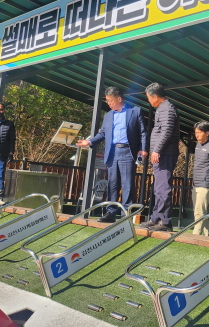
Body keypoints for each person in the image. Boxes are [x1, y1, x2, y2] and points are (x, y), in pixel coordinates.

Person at [76, 87, 147, 222]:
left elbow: (143, 132)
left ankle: (126, 214)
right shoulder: (108, 115)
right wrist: (89, 142)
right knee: (112, 184)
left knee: (127, 184)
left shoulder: (135, 111)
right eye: (107, 100)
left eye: (110, 100)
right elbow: (103, 133)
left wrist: (143, 149)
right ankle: (111, 213)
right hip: (112, 152)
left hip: (128, 152)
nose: (108, 103)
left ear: (119, 99)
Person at [145, 82, 180, 232]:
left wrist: (156, 149)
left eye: (148, 98)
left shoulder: (167, 109)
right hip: (161, 153)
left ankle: (165, 221)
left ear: (155, 97)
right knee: (158, 188)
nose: (148, 101)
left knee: (163, 187)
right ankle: (155, 218)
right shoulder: (162, 109)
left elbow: (166, 131)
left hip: (165, 153)